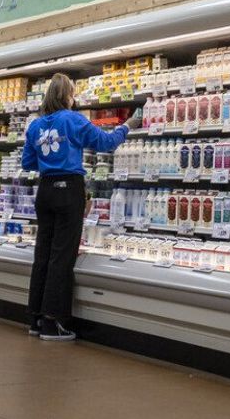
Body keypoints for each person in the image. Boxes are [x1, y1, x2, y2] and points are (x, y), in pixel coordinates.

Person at [22, 72, 139, 342]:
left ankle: (35, 319)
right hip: (68, 189)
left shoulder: (35, 125)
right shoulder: (73, 119)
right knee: (62, 256)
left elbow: (27, 163)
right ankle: (53, 322)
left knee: (43, 253)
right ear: (67, 96)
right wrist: (127, 126)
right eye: (72, 94)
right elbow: (106, 143)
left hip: (45, 190)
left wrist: (50, 160)